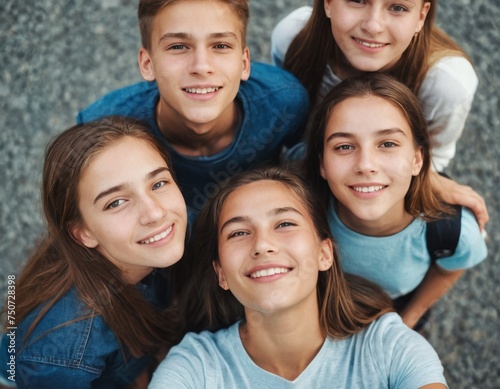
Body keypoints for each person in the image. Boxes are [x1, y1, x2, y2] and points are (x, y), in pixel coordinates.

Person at [149, 166, 448, 388]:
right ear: (221, 273)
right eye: (239, 232)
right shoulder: (195, 367)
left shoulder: (387, 348)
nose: (263, 245)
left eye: (285, 224)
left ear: (324, 254)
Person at [77, 0, 309, 223]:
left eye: (220, 46)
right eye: (178, 46)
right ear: (147, 64)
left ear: (244, 63)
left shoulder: (284, 101)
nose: (201, 66)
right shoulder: (100, 129)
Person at [0, 116, 188, 388]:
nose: (156, 213)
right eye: (116, 202)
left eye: (158, 183)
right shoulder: (65, 346)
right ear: (82, 232)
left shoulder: (163, 237)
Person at [271, 0, 489, 231]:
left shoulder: (446, 83)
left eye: (397, 7)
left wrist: (430, 177)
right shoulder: (294, 36)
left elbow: (437, 151)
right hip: (309, 163)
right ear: (328, 3)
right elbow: (285, 112)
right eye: (357, 1)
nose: (373, 26)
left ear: (421, 16)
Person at [304, 73, 487, 330]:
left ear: (417, 160)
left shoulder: (454, 230)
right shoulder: (298, 213)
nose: (366, 165)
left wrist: (408, 322)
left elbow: (449, 268)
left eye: (388, 143)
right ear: (322, 163)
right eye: (344, 146)